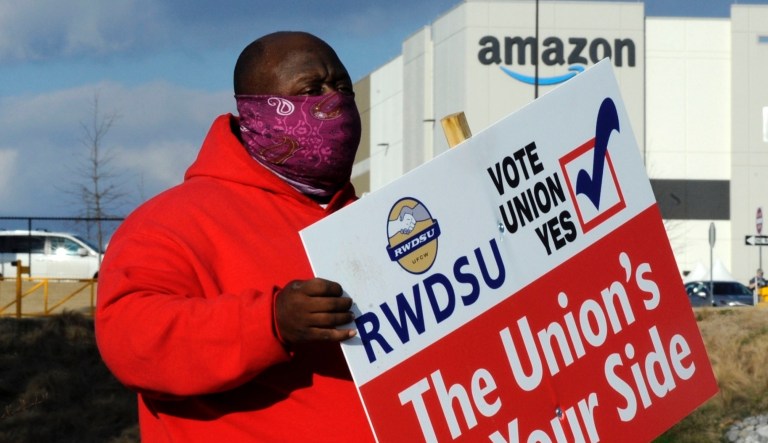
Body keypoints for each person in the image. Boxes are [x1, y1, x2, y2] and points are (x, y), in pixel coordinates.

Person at [95, 31, 376, 442]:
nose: (333, 101)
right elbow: (131, 341)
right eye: (311, 89)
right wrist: (270, 322)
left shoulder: (371, 220)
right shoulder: (170, 222)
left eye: (342, 87)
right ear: (257, 112)